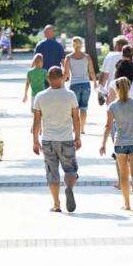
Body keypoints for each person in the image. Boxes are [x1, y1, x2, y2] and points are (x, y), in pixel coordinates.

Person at [32, 66, 82, 213]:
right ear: (62, 77)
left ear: (48, 78)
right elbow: (76, 118)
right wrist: (78, 137)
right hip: (66, 138)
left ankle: (56, 204)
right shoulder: (70, 95)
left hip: (48, 140)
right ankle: (69, 187)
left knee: (52, 172)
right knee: (70, 169)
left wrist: (35, 141)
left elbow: (36, 121)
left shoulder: (40, 96)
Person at [101, 77, 133, 213]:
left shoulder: (113, 106)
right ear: (129, 87)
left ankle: (127, 204)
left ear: (116, 89)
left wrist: (103, 144)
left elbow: (108, 127)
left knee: (123, 175)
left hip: (120, 143)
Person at [63, 36, 97, 134]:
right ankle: (82, 128)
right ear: (81, 45)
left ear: (73, 45)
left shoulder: (69, 57)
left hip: (74, 85)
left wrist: (61, 84)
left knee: (74, 108)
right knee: (84, 107)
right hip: (86, 84)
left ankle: (75, 128)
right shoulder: (87, 57)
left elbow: (66, 74)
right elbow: (91, 72)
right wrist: (95, 83)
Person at [99, 37, 133, 103]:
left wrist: (100, 91)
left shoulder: (110, 56)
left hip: (114, 91)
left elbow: (104, 75)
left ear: (116, 46)